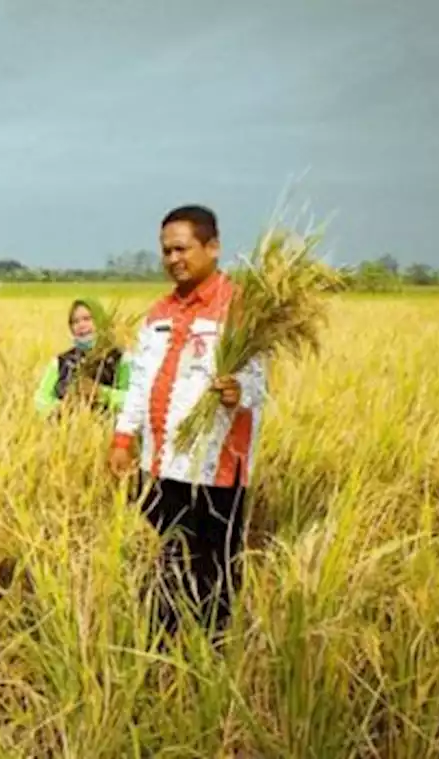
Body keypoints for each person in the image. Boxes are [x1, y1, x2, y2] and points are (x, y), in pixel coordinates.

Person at [108, 205, 266, 636]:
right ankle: (163, 644)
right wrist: (123, 438)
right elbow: (140, 382)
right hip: (159, 462)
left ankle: (212, 651)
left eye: (182, 249)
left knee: (214, 564)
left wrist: (237, 394)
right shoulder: (158, 313)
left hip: (216, 466)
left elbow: (257, 383)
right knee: (167, 557)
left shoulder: (241, 309)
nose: (173, 259)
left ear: (212, 247)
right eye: (166, 251)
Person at [33, 299, 130, 417]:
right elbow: (41, 400)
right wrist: (63, 406)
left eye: (87, 319)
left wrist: (101, 393)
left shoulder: (120, 359)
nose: (81, 325)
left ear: (101, 322)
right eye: (75, 322)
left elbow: (134, 401)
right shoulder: (61, 361)